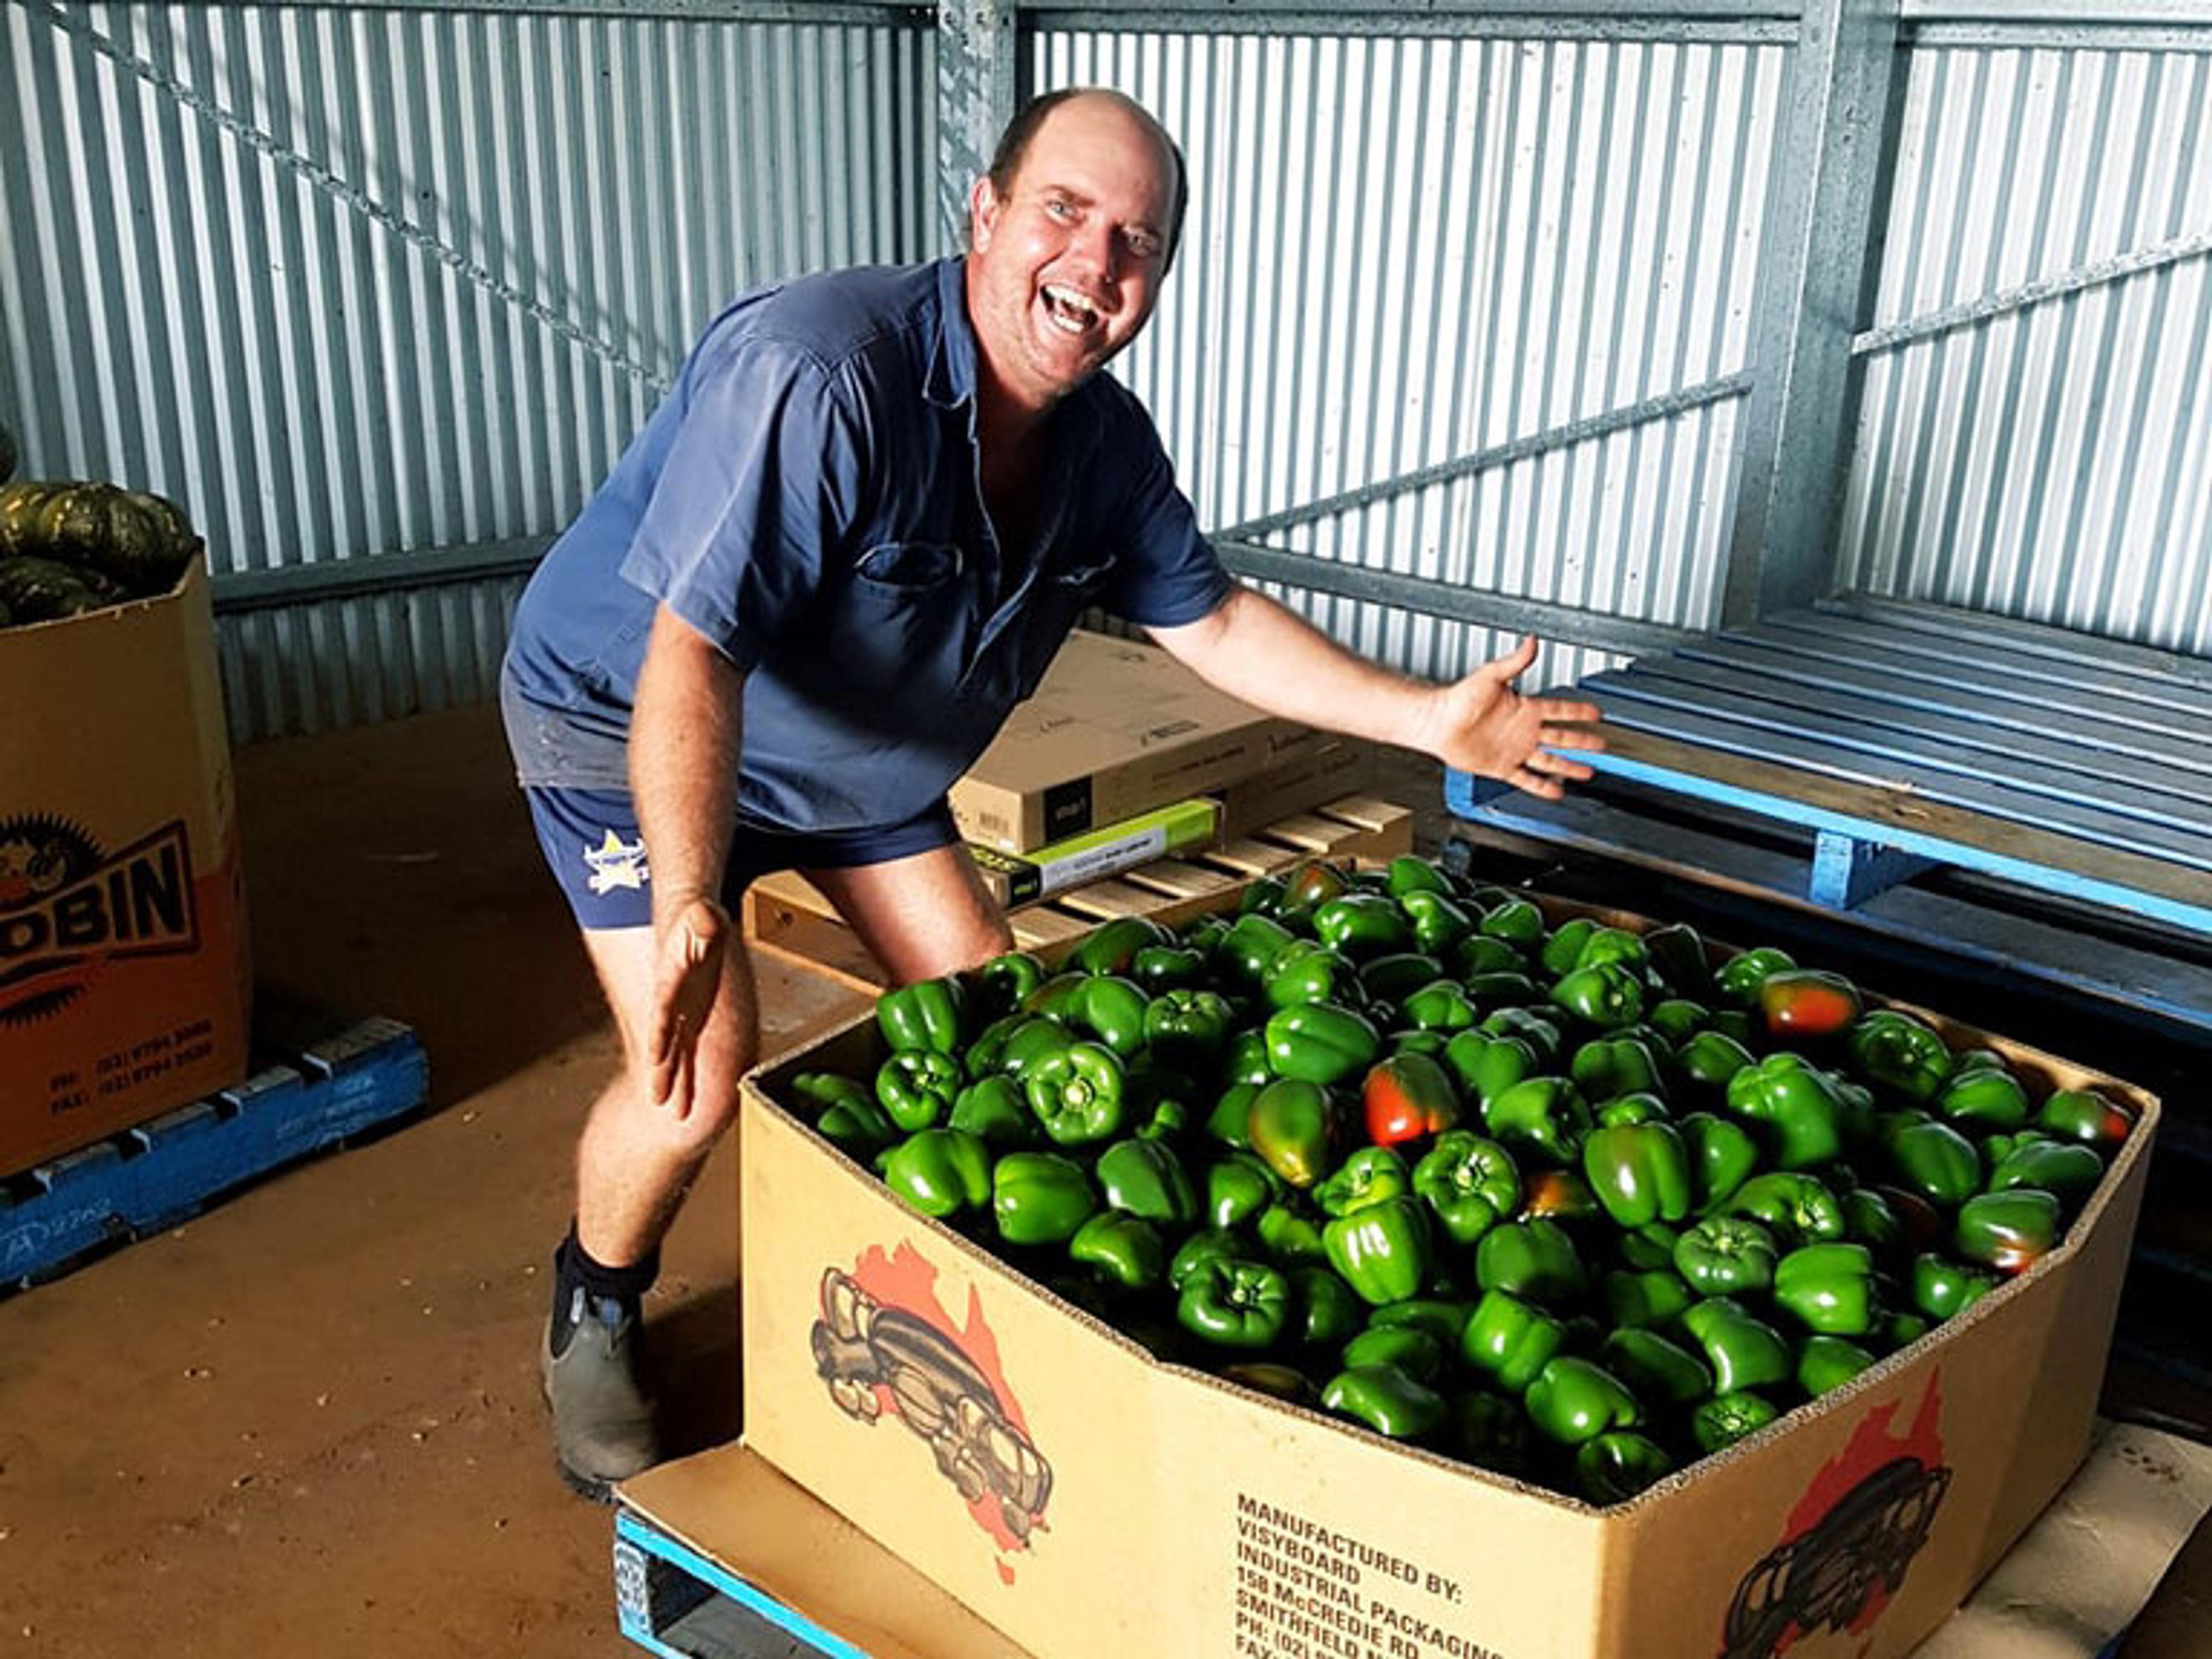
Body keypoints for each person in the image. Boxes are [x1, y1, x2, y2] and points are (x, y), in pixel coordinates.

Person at [499, 85, 1604, 1499]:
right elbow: (693, 652)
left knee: (989, 1024)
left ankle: (952, 1311)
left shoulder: (1103, 446)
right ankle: (593, 1301)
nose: (1094, 266)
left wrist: (1423, 721)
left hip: (857, 757)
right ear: (987, 213)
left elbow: (1206, 624)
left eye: (1136, 242)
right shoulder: (823, 373)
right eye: (1064, 214)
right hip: (628, 720)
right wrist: (692, 891)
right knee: (700, 1070)